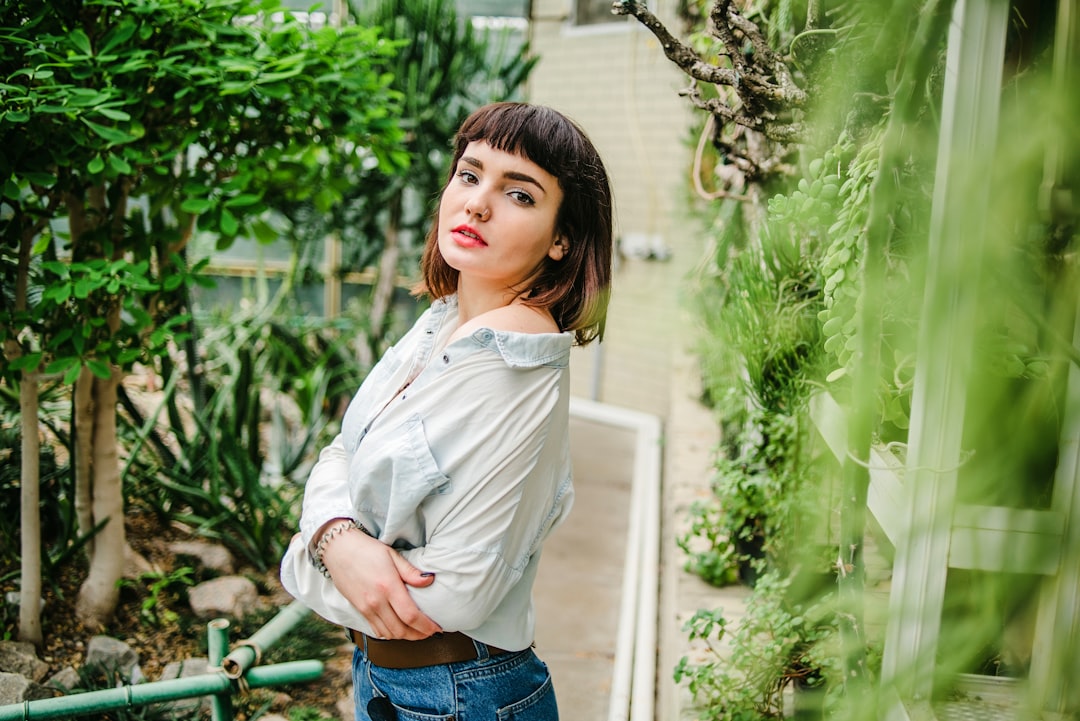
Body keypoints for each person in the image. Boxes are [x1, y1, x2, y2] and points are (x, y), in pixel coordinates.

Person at [280, 101, 614, 721]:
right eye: (469, 174)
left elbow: (454, 595)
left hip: (463, 693)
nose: (477, 203)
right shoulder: (446, 323)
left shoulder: (514, 366)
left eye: (520, 194)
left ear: (563, 239)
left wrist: (312, 551)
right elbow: (341, 451)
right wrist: (337, 539)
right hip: (394, 680)